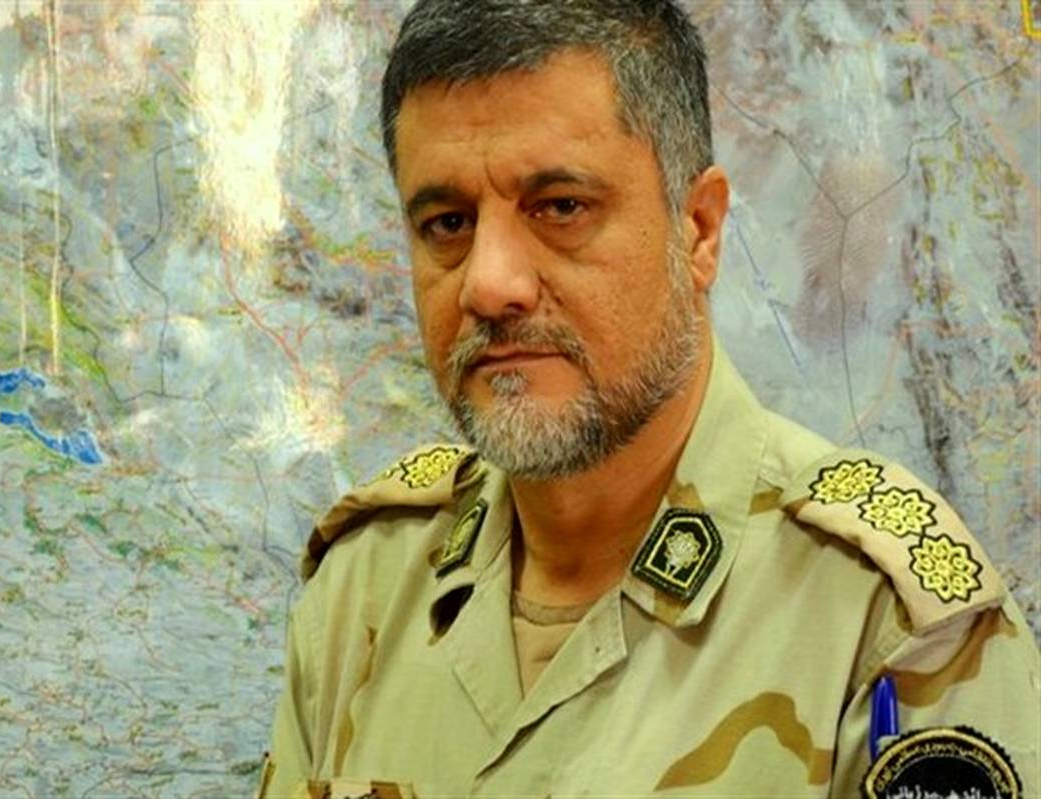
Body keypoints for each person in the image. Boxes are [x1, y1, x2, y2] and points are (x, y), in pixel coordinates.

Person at [261, 1, 1040, 796]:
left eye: (561, 208)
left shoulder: (882, 622)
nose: (489, 284)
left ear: (698, 230)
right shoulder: (363, 587)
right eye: (447, 222)